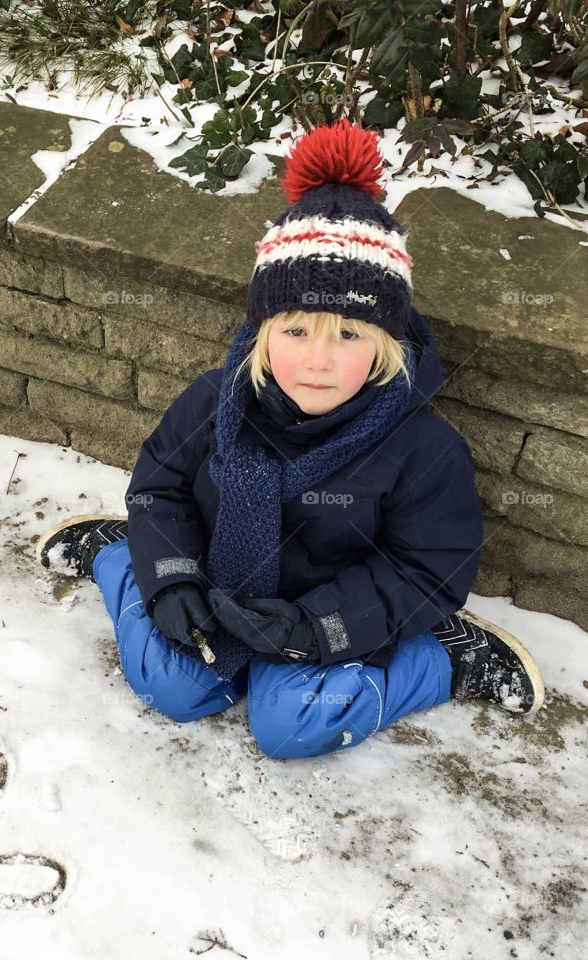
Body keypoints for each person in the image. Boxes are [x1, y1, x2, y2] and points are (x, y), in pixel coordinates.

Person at [35, 119, 544, 760]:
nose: (317, 360)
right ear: (262, 333)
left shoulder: (421, 448)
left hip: (326, 615)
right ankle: (120, 558)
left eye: (349, 335)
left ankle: (446, 658)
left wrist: (315, 627)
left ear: (386, 346)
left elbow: (426, 567)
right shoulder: (215, 400)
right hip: (215, 589)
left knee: (292, 726)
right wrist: (170, 579)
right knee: (170, 687)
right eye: (296, 331)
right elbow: (159, 489)